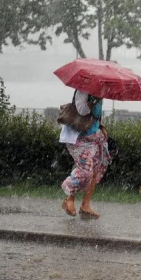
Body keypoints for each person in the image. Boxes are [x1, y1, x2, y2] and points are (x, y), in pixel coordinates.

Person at [59, 90, 110, 219]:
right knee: (84, 171)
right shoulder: (82, 91)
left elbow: (94, 116)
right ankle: (68, 199)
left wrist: (101, 126)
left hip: (94, 138)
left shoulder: (98, 93)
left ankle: (85, 206)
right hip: (79, 139)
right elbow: (82, 111)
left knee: (94, 171)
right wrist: (94, 100)